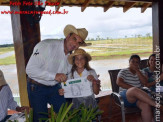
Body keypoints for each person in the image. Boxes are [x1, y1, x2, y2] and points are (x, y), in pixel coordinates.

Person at [26, 24, 88, 121]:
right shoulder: (46, 46)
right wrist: (54, 76)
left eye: (79, 43)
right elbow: (30, 69)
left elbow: (68, 76)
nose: (75, 44)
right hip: (36, 87)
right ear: (67, 36)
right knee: (41, 119)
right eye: (74, 39)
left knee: (66, 115)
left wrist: (86, 80)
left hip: (55, 87)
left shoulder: (71, 57)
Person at [117, 55, 157, 122]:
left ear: (139, 64)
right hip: (126, 96)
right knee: (134, 89)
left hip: (138, 97)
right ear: (129, 62)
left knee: (146, 105)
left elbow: (145, 83)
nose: (135, 64)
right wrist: (134, 89)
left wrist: (137, 71)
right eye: (133, 62)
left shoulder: (141, 72)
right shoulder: (123, 71)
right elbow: (119, 82)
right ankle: (157, 105)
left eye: (137, 62)